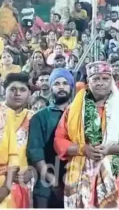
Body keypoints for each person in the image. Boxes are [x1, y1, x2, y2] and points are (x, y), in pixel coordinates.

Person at [54, 61, 119, 208]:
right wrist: (83, 149)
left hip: (115, 173)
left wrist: (109, 150)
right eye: (96, 79)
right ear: (89, 81)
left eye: (105, 79)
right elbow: (59, 141)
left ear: (112, 81)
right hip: (80, 171)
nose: (100, 83)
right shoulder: (74, 109)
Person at [27, 68, 74, 208]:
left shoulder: (79, 116)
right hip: (45, 184)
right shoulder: (40, 117)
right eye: (57, 83)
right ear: (51, 87)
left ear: (71, 87)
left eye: (65, 83)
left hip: (74, 181)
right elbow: (35, 153)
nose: (61, 87)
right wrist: (53, 182)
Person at [1, 73, 33, 208]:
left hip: (22, 181)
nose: (17, 94)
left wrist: (31, 172)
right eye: (13, 89)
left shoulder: (34, 118)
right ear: (4, 91)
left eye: (22, 90)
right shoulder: (1, 114)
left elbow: (41, 151)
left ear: (29, 94)